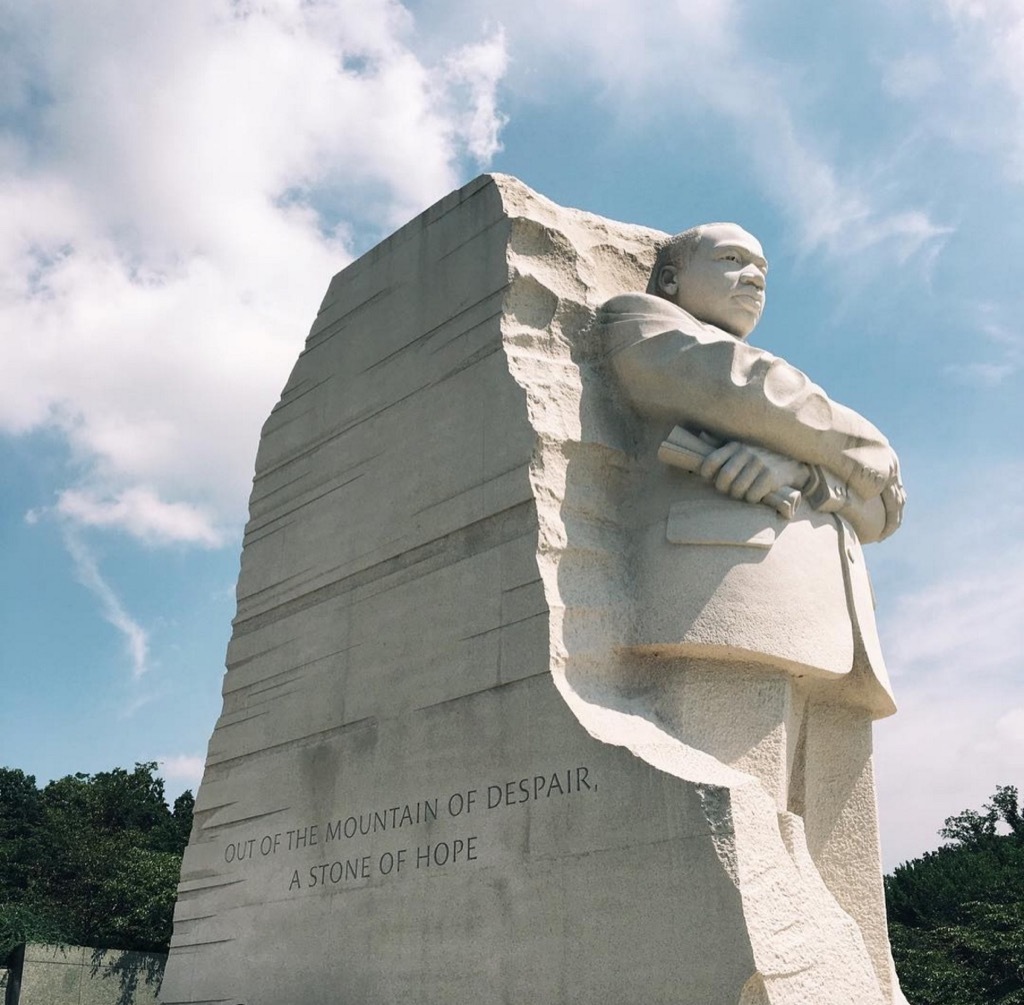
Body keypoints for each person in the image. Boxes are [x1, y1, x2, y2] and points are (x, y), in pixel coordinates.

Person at [598, 223, 907, 1003]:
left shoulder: (791, 405)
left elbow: (886, 506)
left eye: (763, 266)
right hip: (726, 603)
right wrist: (860, 446)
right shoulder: (641, 319)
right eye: (730, 260)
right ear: (670, 277)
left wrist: (804, 469)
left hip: (833, 634)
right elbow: (734, 385)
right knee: (741, 855)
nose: (754, 276)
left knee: (841, 876)